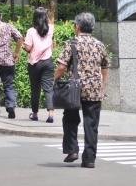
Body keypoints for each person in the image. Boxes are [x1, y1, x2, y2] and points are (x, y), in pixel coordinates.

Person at [55, 12, 110, 168]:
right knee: (91, 124)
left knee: (70, 119)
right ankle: (89, 160)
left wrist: (55, 80)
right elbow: (105, 68)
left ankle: (72, 150)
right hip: (94, 90)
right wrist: (102, 85)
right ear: (92, 27)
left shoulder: (71, 43)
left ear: (77, 27)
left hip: (74, 90)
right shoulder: (100, 45)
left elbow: (61, 66)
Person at [24, 7, 55, 123]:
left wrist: (24, 46)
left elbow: (28, 48)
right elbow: (50, 22)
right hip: (48, 62)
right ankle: (50, 114)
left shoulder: (31, 31)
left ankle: (35, 114)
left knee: (35, 90)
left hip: (34, 64)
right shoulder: (50, 29)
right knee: (48, 89)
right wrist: (46, 13)